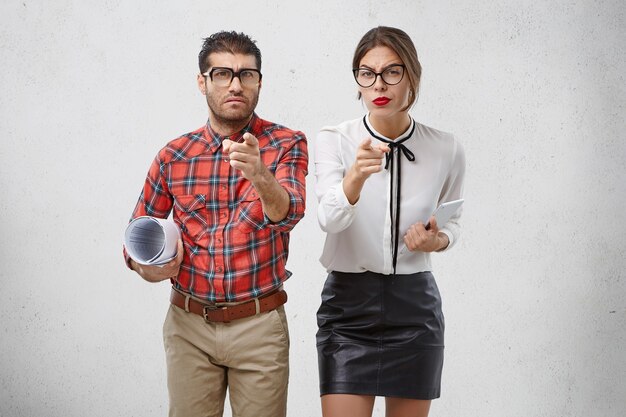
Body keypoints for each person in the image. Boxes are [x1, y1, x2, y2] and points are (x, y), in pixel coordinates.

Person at [124, 31, 308, 417]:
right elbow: (136, 241)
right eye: (222, 74)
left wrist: (259, 174)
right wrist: (150, 269)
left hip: (259, 325)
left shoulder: (286, 143)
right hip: (189, 325)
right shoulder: (173, 155)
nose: (236, 85)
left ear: (260, 81)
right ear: (202, 81)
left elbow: (289, 212)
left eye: (247, 75)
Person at [314, 26, 465, 417]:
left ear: (412, 75)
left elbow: (453, 222)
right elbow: (328, 220)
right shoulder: (335, 139)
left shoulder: (445, 147)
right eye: (367, 73)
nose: (379, 84)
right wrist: (355, 178)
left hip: (415, 310)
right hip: (348, 309)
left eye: (392, 72)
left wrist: (438, 240)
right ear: (358, 80)